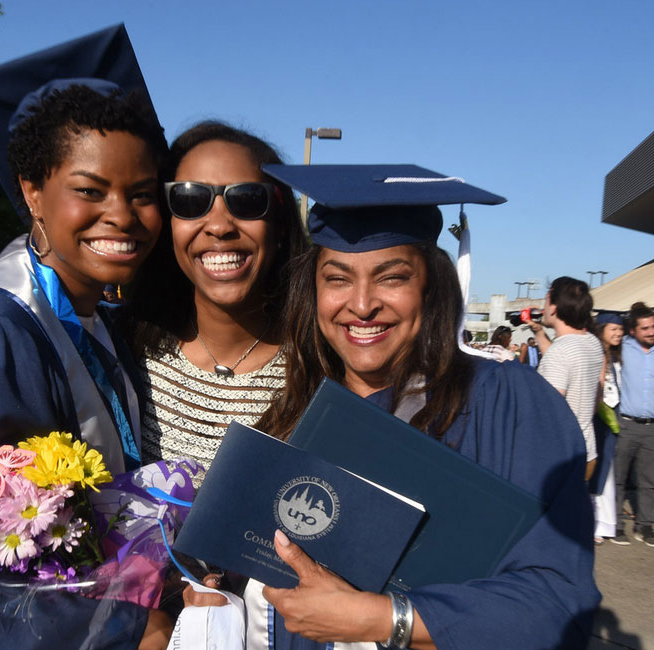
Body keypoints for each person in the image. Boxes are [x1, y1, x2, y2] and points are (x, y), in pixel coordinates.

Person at [236, 164, 598, 649]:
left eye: (392, 277)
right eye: (338, 279)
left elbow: (558, 603)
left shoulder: (505, 403)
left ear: (430, 285)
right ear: (314, 292)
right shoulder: (298, 408)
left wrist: (384, 618)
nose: (362, 305)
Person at [0, 26, 173, 650]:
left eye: (143, 195)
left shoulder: (97, 324)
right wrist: (129, 626)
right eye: (89, 190)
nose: (122, 216)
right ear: (32, 193)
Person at [129, 121, 305, 478]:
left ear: (280, 226)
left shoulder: (316, 370)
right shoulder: (123, 353)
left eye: (247, 200)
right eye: (190, 200)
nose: (220, 225)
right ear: (168, 224)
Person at [531, 277, 603, 479]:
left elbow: (550, 409)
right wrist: (539, 333)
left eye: (546, 302)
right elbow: (595, 394)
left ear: (554, 307)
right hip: (587, 449)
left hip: (561, 456)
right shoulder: (591, 342)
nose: (542, 309)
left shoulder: (560, 352)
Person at [614, 302, 654, 547]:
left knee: (649, 481)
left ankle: (646, 526)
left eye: (653, 327)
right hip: (626, 425)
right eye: (646, 328)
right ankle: (616, 524)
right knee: (618, 478)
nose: (651, 331)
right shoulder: (624, 348)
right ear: (633, 331)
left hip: (652, 428)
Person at [591, 313, 623, 544]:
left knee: (607, 470)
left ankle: (604, 522)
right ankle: (595, 522)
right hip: (599, 417)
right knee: (599, 468)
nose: (618, 334)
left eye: (620, 330)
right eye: (613, 329)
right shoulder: (596, 352)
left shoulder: (616, 354)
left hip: (613, 416)